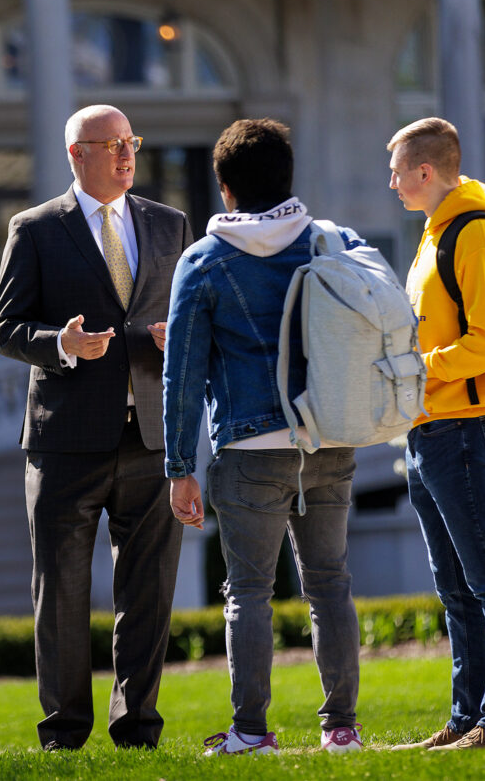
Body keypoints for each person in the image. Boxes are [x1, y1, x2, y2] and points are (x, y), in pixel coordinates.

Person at [0, 104, 193, 750]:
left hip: (151, 438)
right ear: (77, 154)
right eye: (110, 145)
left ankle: (138, 729)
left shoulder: (170, 224)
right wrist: (64, 343)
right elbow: (6, 327)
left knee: (149, 593)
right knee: (62, 594)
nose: (126, 155)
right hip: (65, 442)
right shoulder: (36, 228)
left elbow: (193, 318)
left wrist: (176, 338)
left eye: (130, 141)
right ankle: (65, 733)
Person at [164, 118, 364, 756]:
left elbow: (183, 374)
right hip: (329, 437)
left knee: (248, 591)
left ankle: (251, 732)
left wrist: (177, 466)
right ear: (288, 178)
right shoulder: (332, 242)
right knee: (330, 582)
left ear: (224, 188)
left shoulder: (203, 261)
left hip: (249, 452)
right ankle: (341, 730)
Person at [386, 117, 485, 751]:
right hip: (429, 427)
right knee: (455, 584)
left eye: (396, 171)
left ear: (425, 171)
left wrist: (418, 369)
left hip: (464, 428)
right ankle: (468, 716)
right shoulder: (432, 233)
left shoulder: (474, 235)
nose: (389, 182)